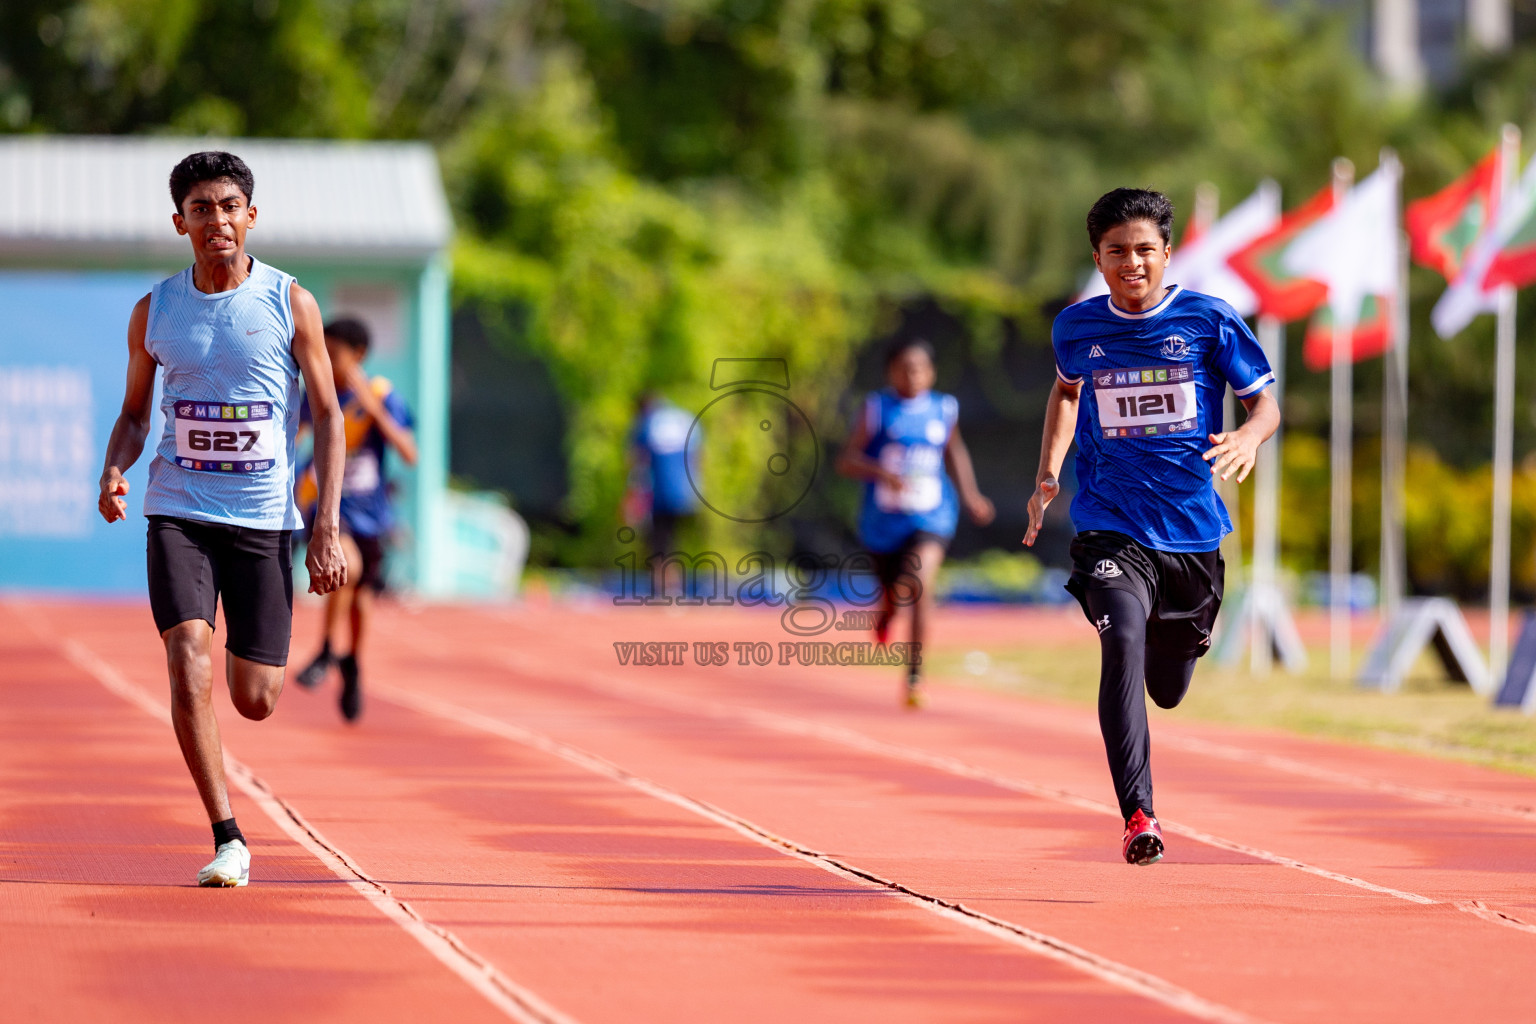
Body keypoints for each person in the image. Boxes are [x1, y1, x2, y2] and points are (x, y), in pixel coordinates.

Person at [97, 151, 347, 888]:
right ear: (180, 223)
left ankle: (254, 690)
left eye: (230, 206)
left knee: (256, 698)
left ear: (252, 216)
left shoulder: (287, 302)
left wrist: (324, 526)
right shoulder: (157, 310)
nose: (217, 221)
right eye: (201, 209)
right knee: (186, 657)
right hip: (178, 510)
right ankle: (227, 834)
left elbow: (329, 417)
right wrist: (116, 465)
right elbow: (135, 414)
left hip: (264, 519)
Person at [1024, 188, 1279, 865]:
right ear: (1098, 259)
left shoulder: (1209, 321)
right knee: (1121, 641)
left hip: (1192, 536)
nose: (1131, 263)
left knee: (1167, 686)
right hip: (1110, 528)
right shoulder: (1076, 329)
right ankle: (1139, 814)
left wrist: (1250, 438)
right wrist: (1049, 473)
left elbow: (1265, 407)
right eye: (1116, 252)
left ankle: (1183, 646)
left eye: (1143, 250)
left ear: (1166, 253)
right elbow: (1068, 390)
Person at [837, 339, 994, 708]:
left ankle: (914, 677)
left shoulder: (943, 408)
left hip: (932, 514)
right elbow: (846, 460)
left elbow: (953, 451)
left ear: (932, 372)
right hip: (883, 522)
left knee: (921, 584)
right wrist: (880, 472)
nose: (913, 375)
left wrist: (970, 495)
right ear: (891, 372)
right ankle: (887, 612)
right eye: (904, 368)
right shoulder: (877, 409)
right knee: (894, 594)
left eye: (920, 368)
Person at [291, 318, 417, 720]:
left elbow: (409, 453)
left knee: (361, 600)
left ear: (358, 355)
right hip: (332, 509)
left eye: (335, 354)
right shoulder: (319, 395)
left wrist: (373, 408)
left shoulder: (381, 395)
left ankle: (353, 663)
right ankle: (327, 650)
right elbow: (292, 437)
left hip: (372, 515)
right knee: (346, 569)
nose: (326, 361)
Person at [628, 394, 699, 559]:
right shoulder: (685, 420)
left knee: (657, 543)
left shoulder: (647, 424)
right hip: (685, 493)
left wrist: (634, 495)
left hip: (658, 495)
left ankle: (663, 581)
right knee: (672, 540)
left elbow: (637, 462)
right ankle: (672, 581)